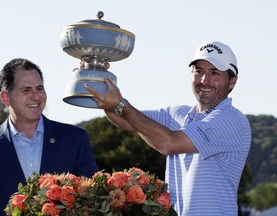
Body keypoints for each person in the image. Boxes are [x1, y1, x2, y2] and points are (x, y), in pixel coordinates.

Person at [85, 41, 252, 215]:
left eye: (214, 73)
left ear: (232, 81)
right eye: (199, 71)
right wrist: (98, 79)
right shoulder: (177, 114)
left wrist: (120, 104)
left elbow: (168, 143)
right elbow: (127, 120)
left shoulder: (232, 120)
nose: (204, 80)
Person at [0, 58, 98, 216]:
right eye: (26, 90)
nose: (36, 97)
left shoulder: (75, 139)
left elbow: (92, 199)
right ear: (6, 98)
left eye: (39, 88)